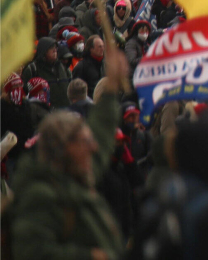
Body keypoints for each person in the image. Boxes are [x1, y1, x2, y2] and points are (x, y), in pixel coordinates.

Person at [8, 47, 128, 260]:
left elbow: (100, 132)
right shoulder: (40, 195)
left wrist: (111, 87)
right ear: (62, 147)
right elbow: (32, 252)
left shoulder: (74, 173)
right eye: (84, 142)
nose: (92, 147)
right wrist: (91, 256)